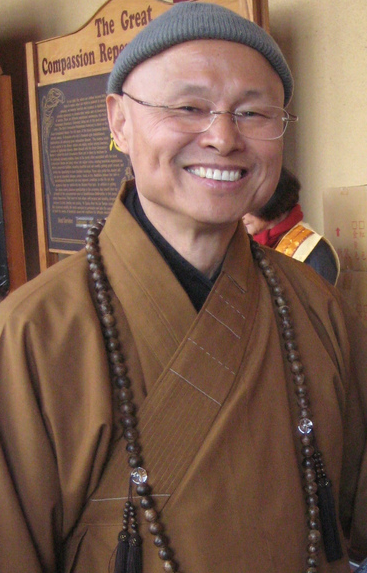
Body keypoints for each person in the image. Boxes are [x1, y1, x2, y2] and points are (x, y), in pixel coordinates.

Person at [0, 3, 366, 573]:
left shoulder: (316, 307)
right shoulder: (32, 333)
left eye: (253, 113)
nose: (223, 138)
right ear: (118, 120)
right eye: (188, 107)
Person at [243, 166, 340, 285]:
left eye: (249, 205)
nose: (242, 214)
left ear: (270, 201)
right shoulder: (248, 243)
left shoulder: (313, 250)